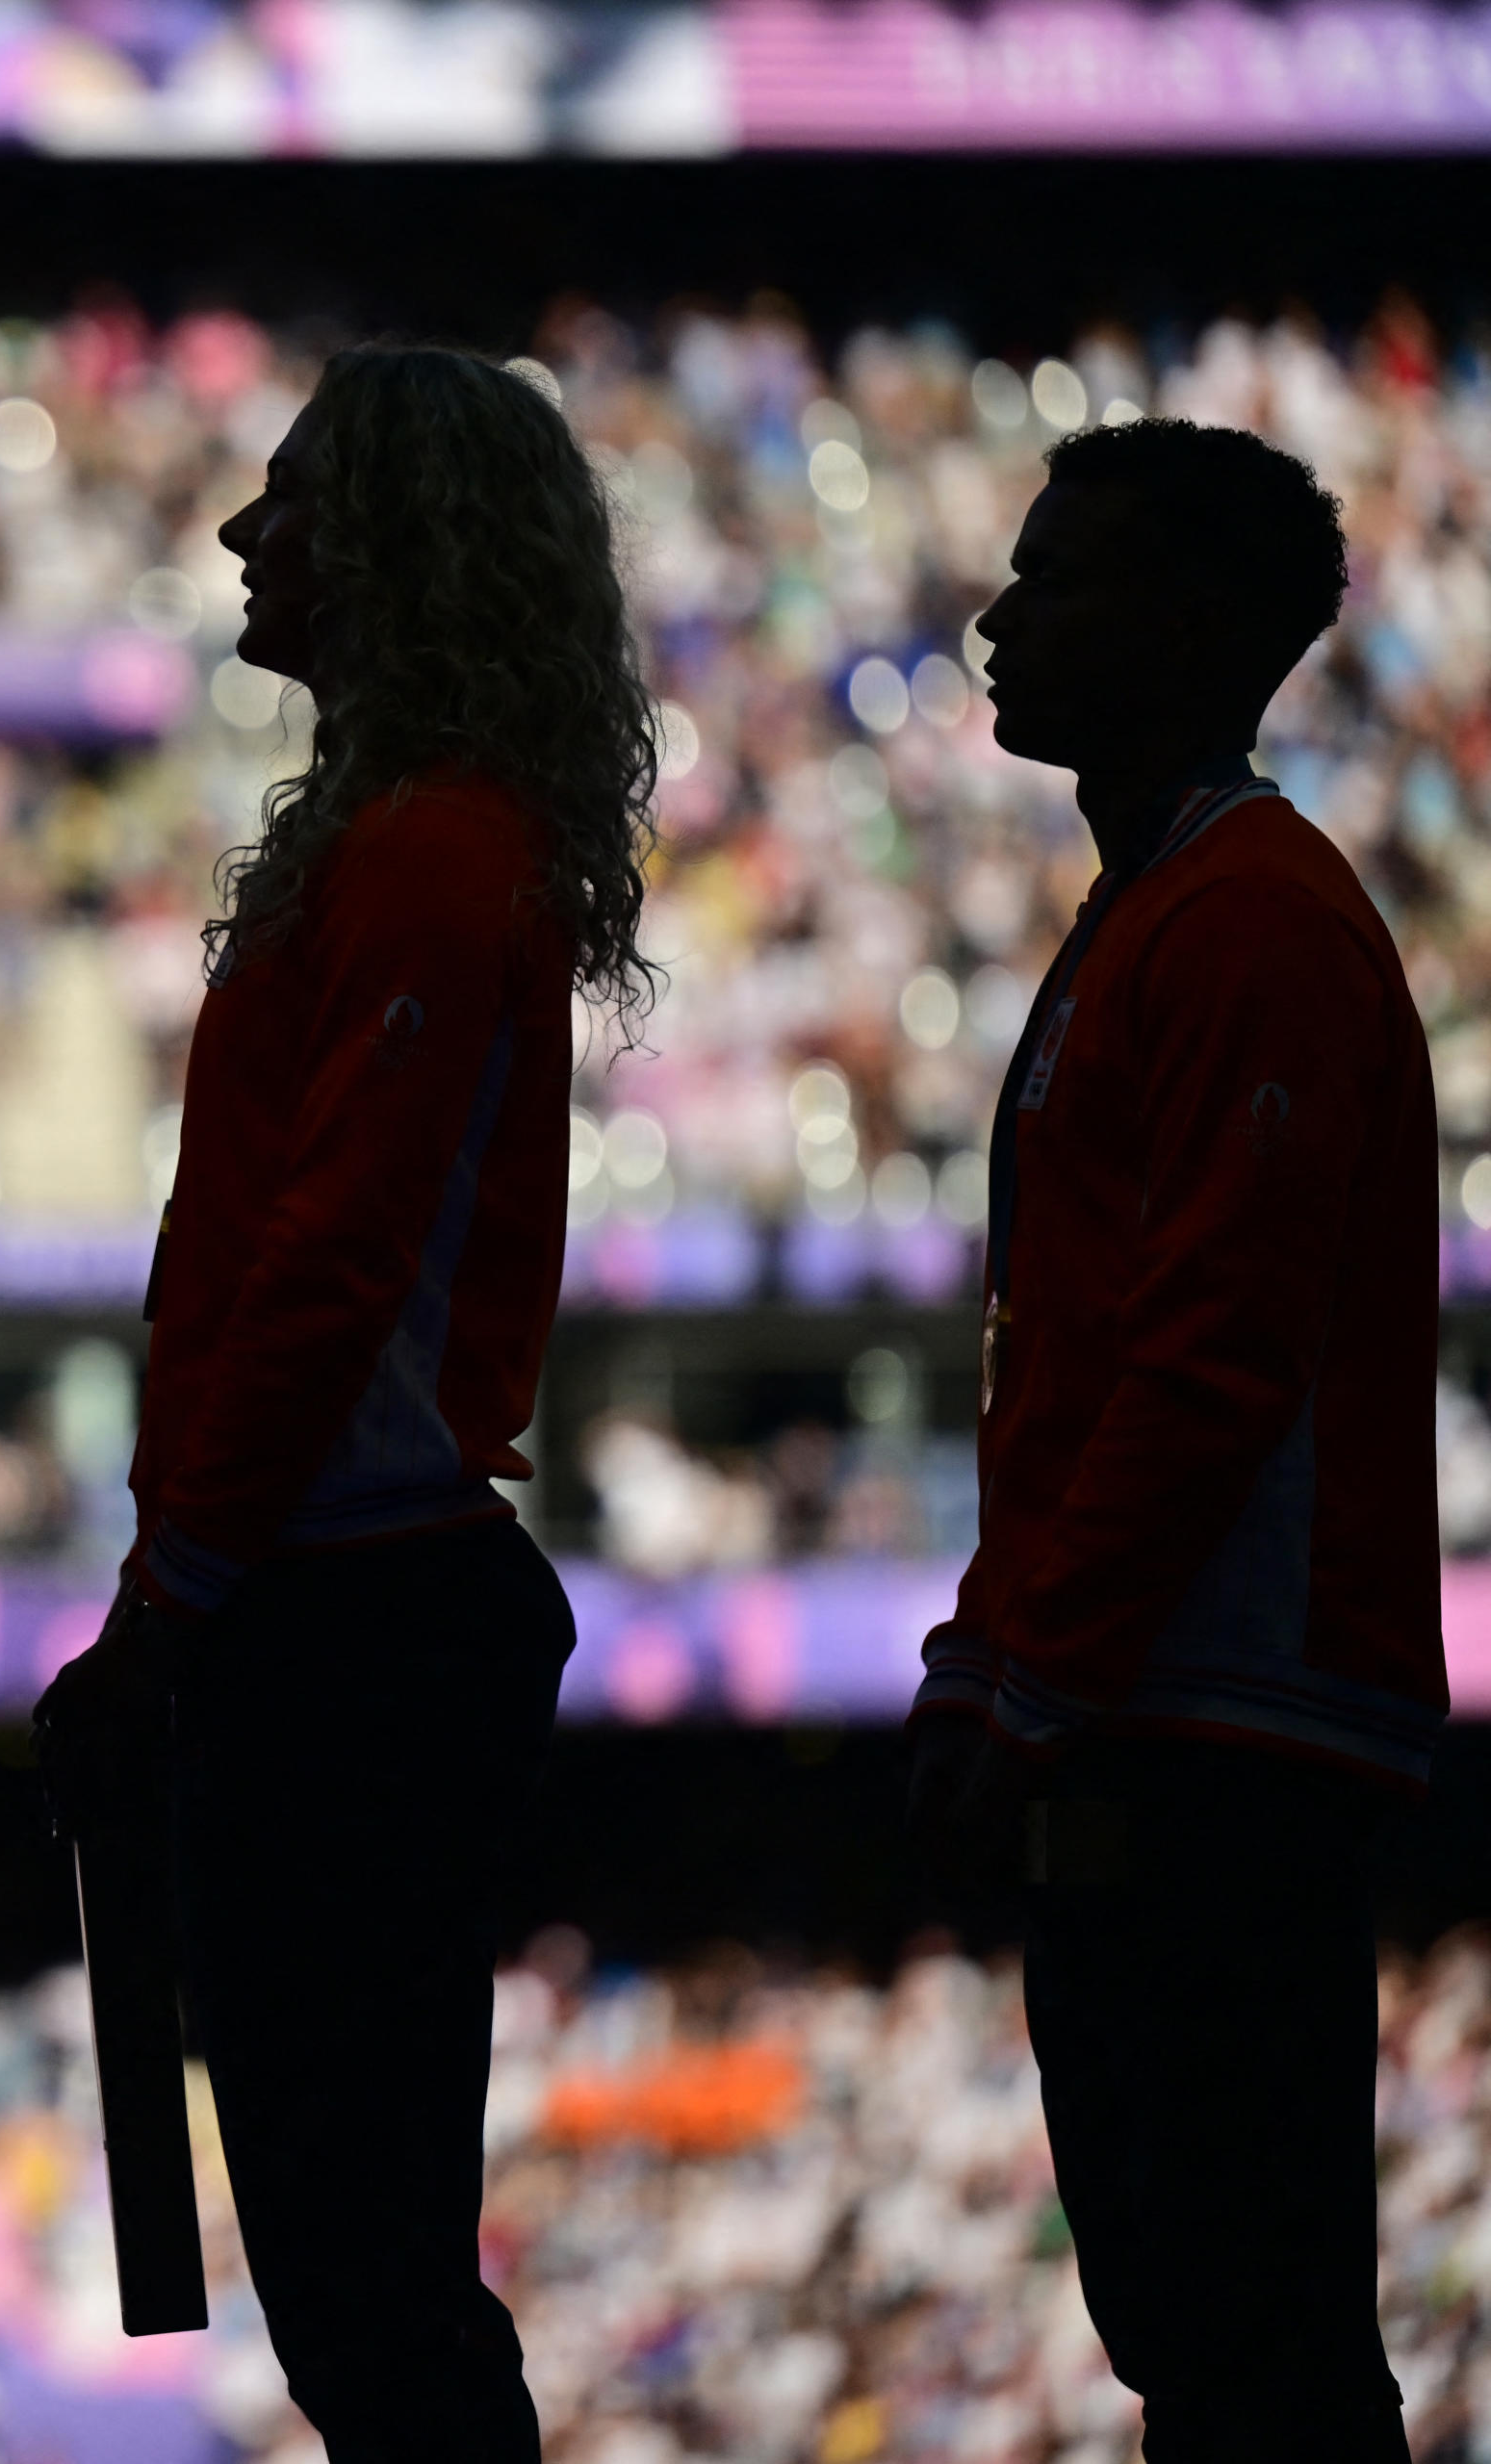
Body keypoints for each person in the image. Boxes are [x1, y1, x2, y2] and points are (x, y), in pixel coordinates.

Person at [37, 345, 654, 2461]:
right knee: (354, 2262)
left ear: (398, 539)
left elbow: (327, 1263)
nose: (240, 534)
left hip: (351, 1603)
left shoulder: (429, 848)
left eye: (286, 498)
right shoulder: (408, 839)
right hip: (339, 1590)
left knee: (368, 2269)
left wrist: (165, 1606)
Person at [907, 421, 1430, 2460]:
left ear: (1197, 627)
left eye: (1060, 579)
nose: (1001, 618)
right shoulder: (1159, 903)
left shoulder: (1250, 920)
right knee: (1193, 2317)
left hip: (1230, 1713)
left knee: (1253, 2322)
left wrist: (1027, 1665)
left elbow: (1208, 1353)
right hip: (1163, 1700)